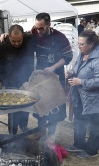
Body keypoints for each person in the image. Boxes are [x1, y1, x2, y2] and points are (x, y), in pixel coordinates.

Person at [30, 13, 73, 141]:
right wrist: (5, 35)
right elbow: (20, 35)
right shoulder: (34, 33)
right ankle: (41, 133)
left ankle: (52, 134)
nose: (39, 31)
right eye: (37, 28)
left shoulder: (60, 37)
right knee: (41, 104)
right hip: (41, 77)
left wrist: (53, 67)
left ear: (49, 24)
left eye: (41, 28)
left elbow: (68, 57)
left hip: (55, 75)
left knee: (54, 105)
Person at [0, 24, 34, 135]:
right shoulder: (1, 46)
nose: (17, 44)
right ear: (8, 37)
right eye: (13, 41)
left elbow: (38, 28)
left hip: (26, 79)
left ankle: (24, 125)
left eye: (19, 41)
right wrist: (1, 82)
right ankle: (12, 132)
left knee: (25, 104)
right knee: (12, 107)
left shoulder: (29, 38)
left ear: (23, 37)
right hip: (9, 79)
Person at [67, 30, 99, 158]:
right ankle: (78, 143)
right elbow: (77, 69)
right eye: (78, 44)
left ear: (91, 45)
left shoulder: (97, 58)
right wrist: (71, 73)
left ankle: (92, 150)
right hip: (79, 96)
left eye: (82, 44)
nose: (79, 47)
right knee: (79, 120)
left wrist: (81, 81)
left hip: (94, 99)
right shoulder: (82, 54)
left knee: (94, 125)